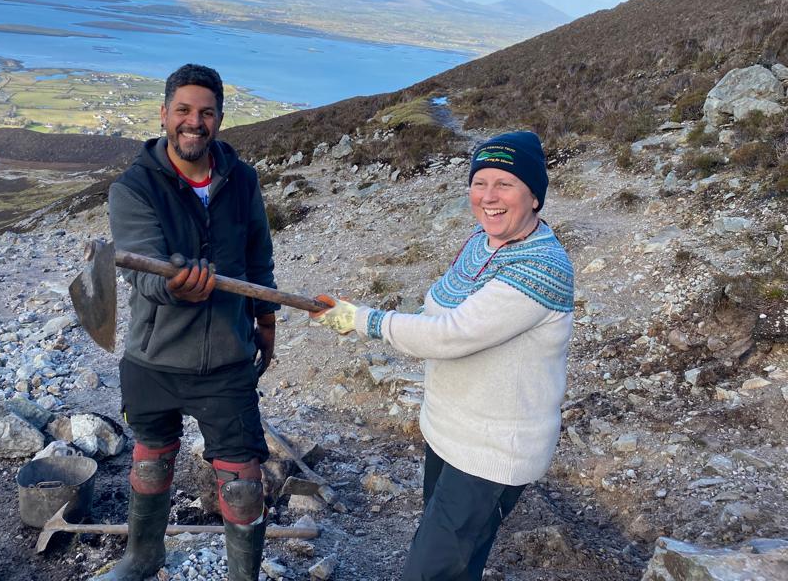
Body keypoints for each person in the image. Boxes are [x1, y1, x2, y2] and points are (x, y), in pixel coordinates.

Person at [312, 131, 574, 581]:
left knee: (428, 570)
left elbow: (451, 335)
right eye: (480, 182)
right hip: (451, 432)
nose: (488, 197)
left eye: (505, 184)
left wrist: (362, 319)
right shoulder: (483, 242)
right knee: (453, 560)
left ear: (534, 196)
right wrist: (362, 317)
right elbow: (438, 307)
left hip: (491, 450)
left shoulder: (541, 267)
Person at [104, 63, 279, 581]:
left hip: (226, 355)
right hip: (153, 356)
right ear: (164, 114)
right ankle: (142, 556)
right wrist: (175, 285)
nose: (193, 122)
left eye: (205, 112)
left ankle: (241, 575)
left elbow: (257, 256)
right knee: (150, 459)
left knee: (243, 480)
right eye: (183, 110)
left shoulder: (241, 179)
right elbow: (142, 269)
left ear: (220, 119)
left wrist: (265, 318)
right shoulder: (134, 188)